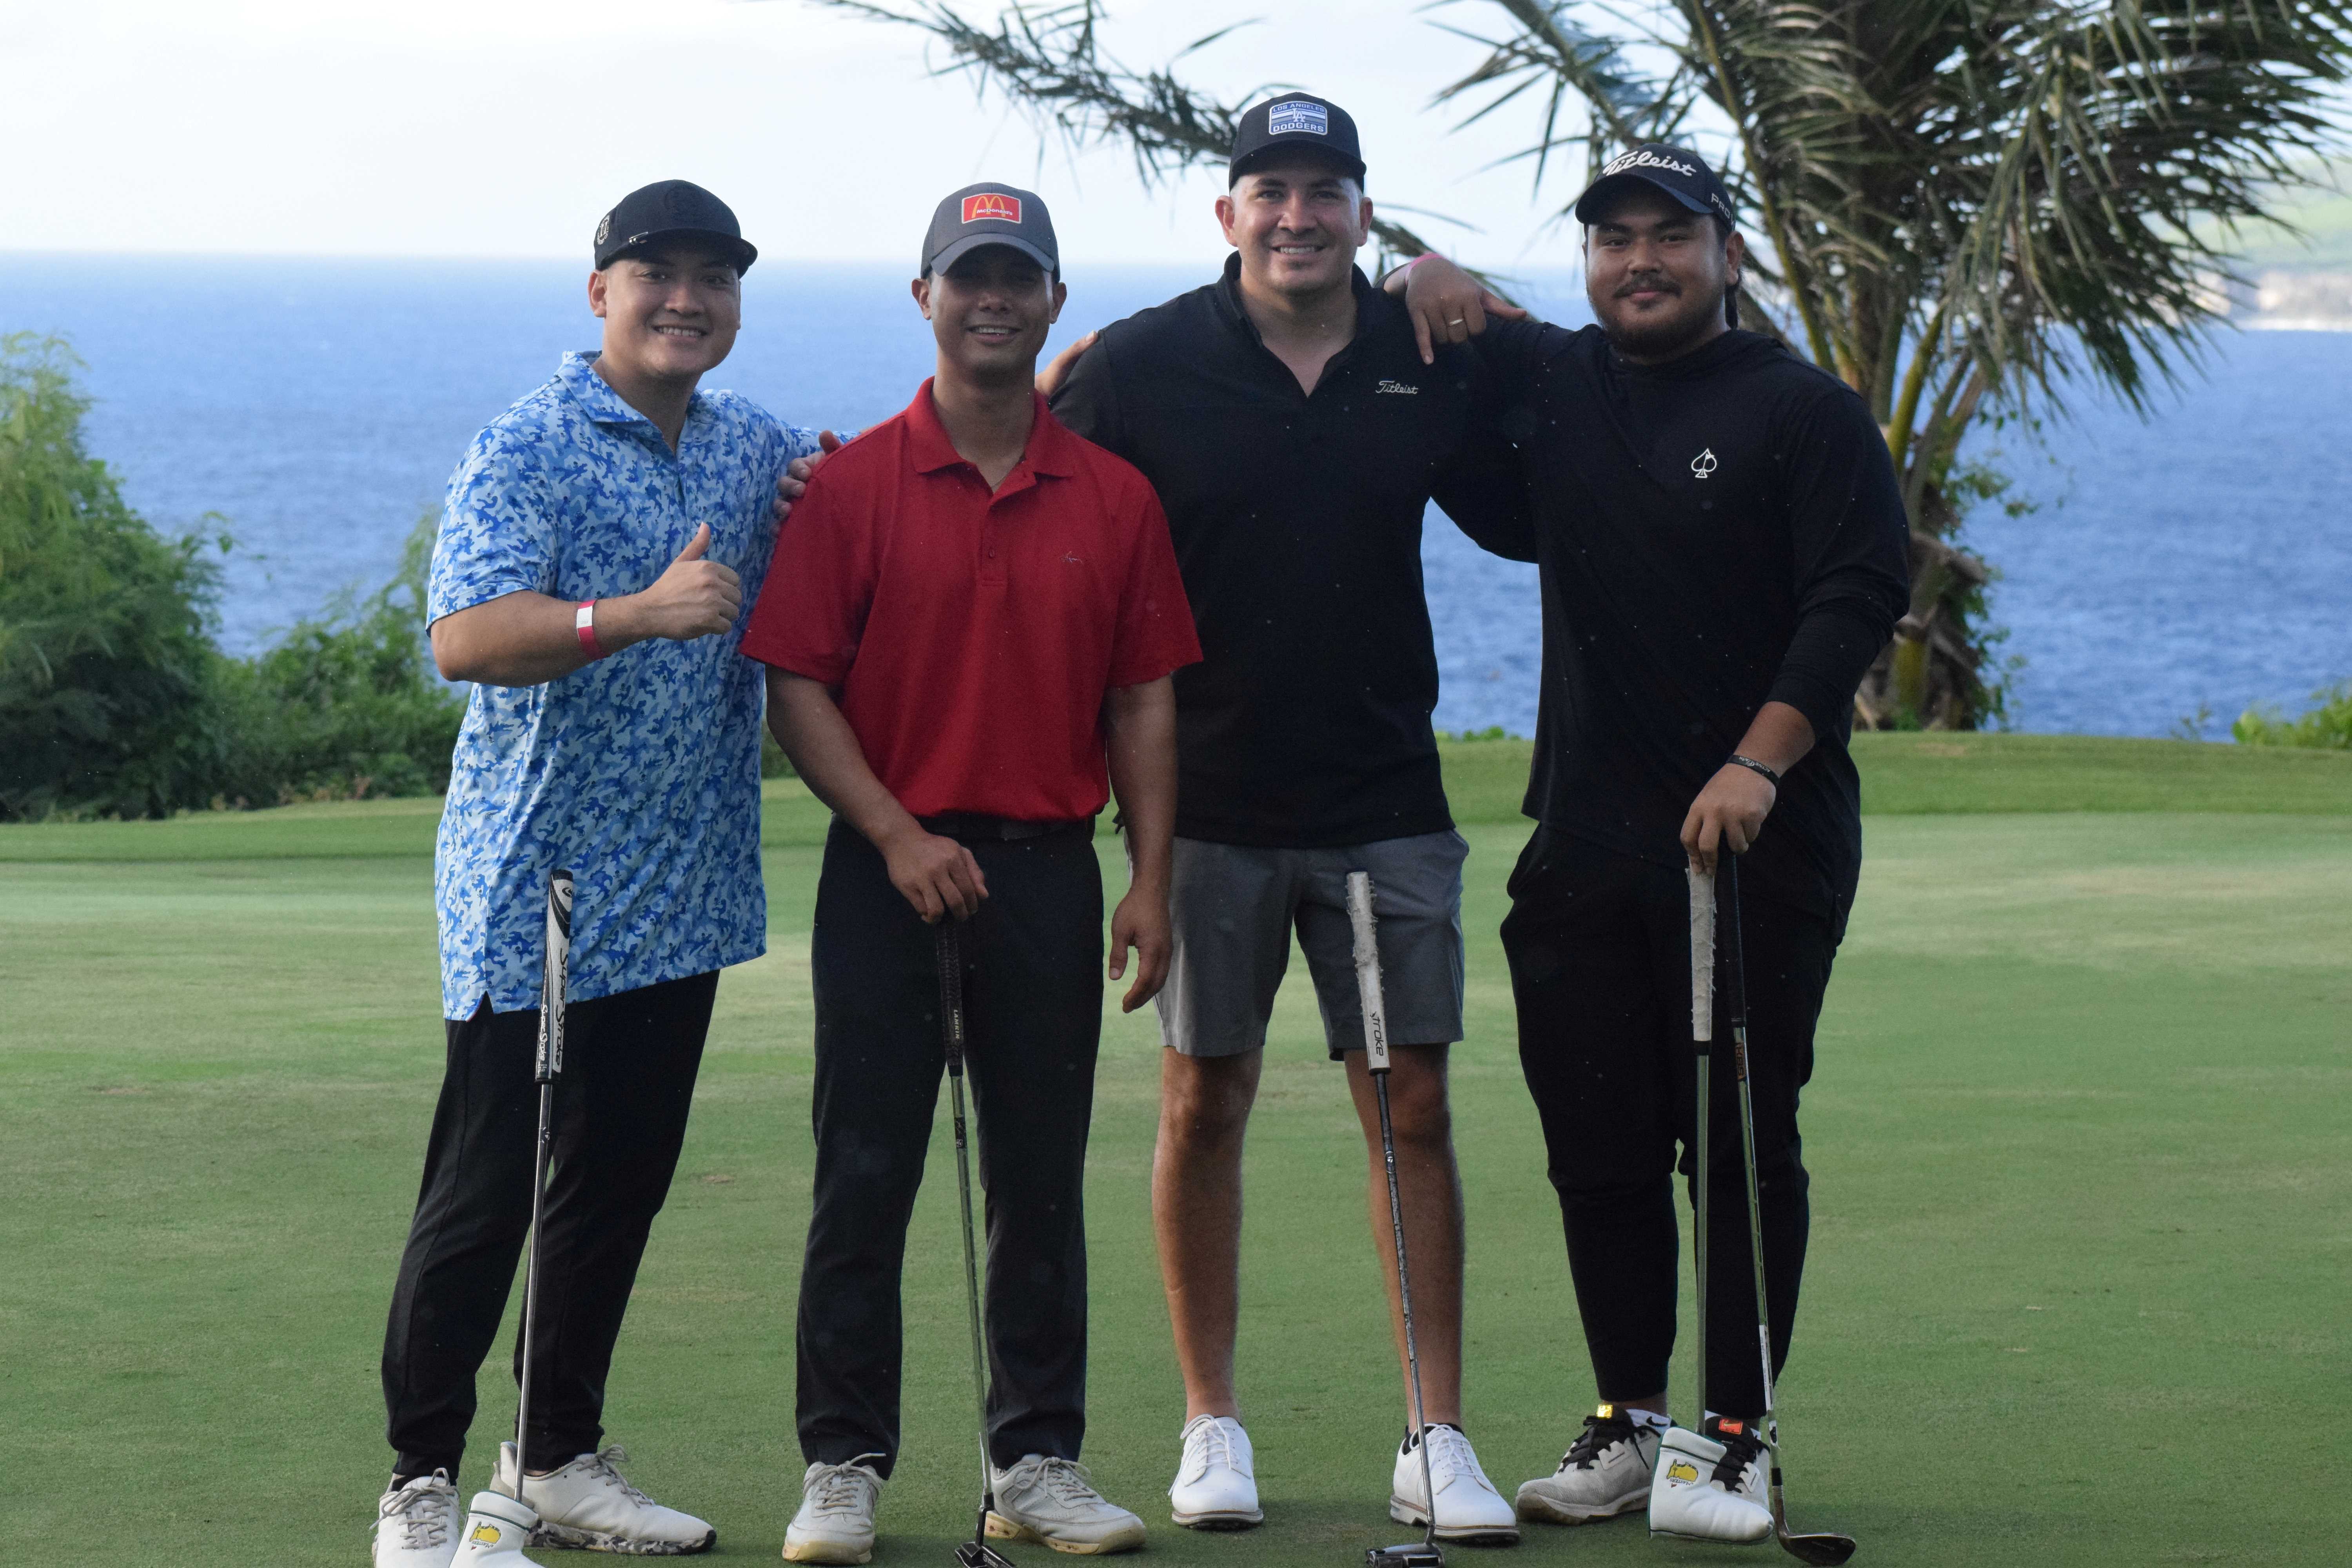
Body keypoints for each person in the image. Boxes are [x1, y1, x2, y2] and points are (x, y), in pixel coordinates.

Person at [1384, 145, 1910, 1541]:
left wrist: (1760, 756)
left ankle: (1734, 1433)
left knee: (1735, 1143)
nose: (1638, 261)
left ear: (1726, 253)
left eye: (1667, 235)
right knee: (1597, 1146)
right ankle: (1632, 1421)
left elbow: (1860, 589)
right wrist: (1414, 267)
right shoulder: (1561, 385)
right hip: (1585, 841)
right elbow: (1452, 336)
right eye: (1612, 239)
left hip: (1758, 843)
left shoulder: (1804, 412)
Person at [1041, 94, 1530, 1541]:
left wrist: (1456, 288)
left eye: (1327, 191)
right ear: (1229, 215)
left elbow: (1555, 477)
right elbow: (1014, 474)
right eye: (1271, 190)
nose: (1297, 215)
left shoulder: (1422, 351)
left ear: (1365, 215)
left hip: (1386, 802)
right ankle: (1212, 1426)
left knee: (1416, 1109)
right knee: (1204, 1100)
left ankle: (1433, 1433)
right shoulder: (1140, 365)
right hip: (1205, 809)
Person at [370, 180, 834, 1567]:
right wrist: (631, 616)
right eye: (658, 274)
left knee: (617, 1184)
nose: (687, 298)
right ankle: (417, 1482)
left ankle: (557, 1453)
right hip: (542, 892)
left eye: (713, 276)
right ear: (602, 293)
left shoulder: (754, 446)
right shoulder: (528, 444)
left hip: (683, 889)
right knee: (489, 1187)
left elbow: (901, 468)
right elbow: (462, 637)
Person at [742, 183, 1200, 1565]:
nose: (992, 299)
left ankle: (1036, 1459)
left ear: (1054, 301)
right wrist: (894, 833)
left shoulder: (1114, 497)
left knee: (1041, 1178)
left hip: (1051, 874)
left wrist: (1153, 879)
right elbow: (798, 685)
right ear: (926, 298)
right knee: (863, 1173)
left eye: (1018, 277)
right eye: (967, 277)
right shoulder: (856, 483)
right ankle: (842, 1466)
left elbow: (1143, 702)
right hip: (887, 869)